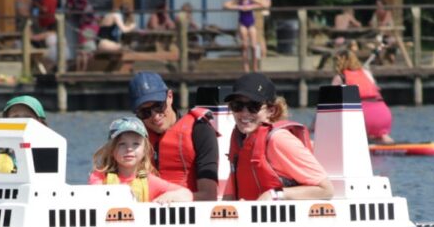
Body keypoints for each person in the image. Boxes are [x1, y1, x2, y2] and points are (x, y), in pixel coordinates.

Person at [224, 72, 332, 201]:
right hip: (251, 218)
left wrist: (275, 194)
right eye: (237, 106)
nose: (244, 113)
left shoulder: (279, 140)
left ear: (272, 110)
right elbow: (229, 197)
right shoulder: (240, 140)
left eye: (254, 106)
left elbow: (326, 190)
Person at [127, 71, 220, 201]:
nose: (155, 116)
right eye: (145, 112)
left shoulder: (200, 130)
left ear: (170, 96)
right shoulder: (132, 137)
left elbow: (209, 196)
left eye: (159, 106)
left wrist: (180, 197)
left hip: (189, 212)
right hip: (147, 212)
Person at [88, 116, 193, 204]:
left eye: (136, 144)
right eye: (122, 144)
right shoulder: (99, 177)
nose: (129, 149)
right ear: (111, 150)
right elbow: (95, 198)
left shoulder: (149, 181)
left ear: (144, 150)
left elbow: (186, 194)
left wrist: (167, 197)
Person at [332, 50, 393, 144]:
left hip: (364, 116)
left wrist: (314, 126)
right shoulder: (366, 73)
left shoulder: (340, 77)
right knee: (381, 136)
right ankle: (389, 143)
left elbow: (328, 103)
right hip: (384, 114)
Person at [223, 0, 264, 72]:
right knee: (245, 46)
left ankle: (255, 66)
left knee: (253, 46)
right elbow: (226, 5)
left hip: (251, 24)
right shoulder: (239, 0)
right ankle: (246, 67)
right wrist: (239, 7)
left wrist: (251, 7)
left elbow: (262, 4)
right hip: (243, 24)